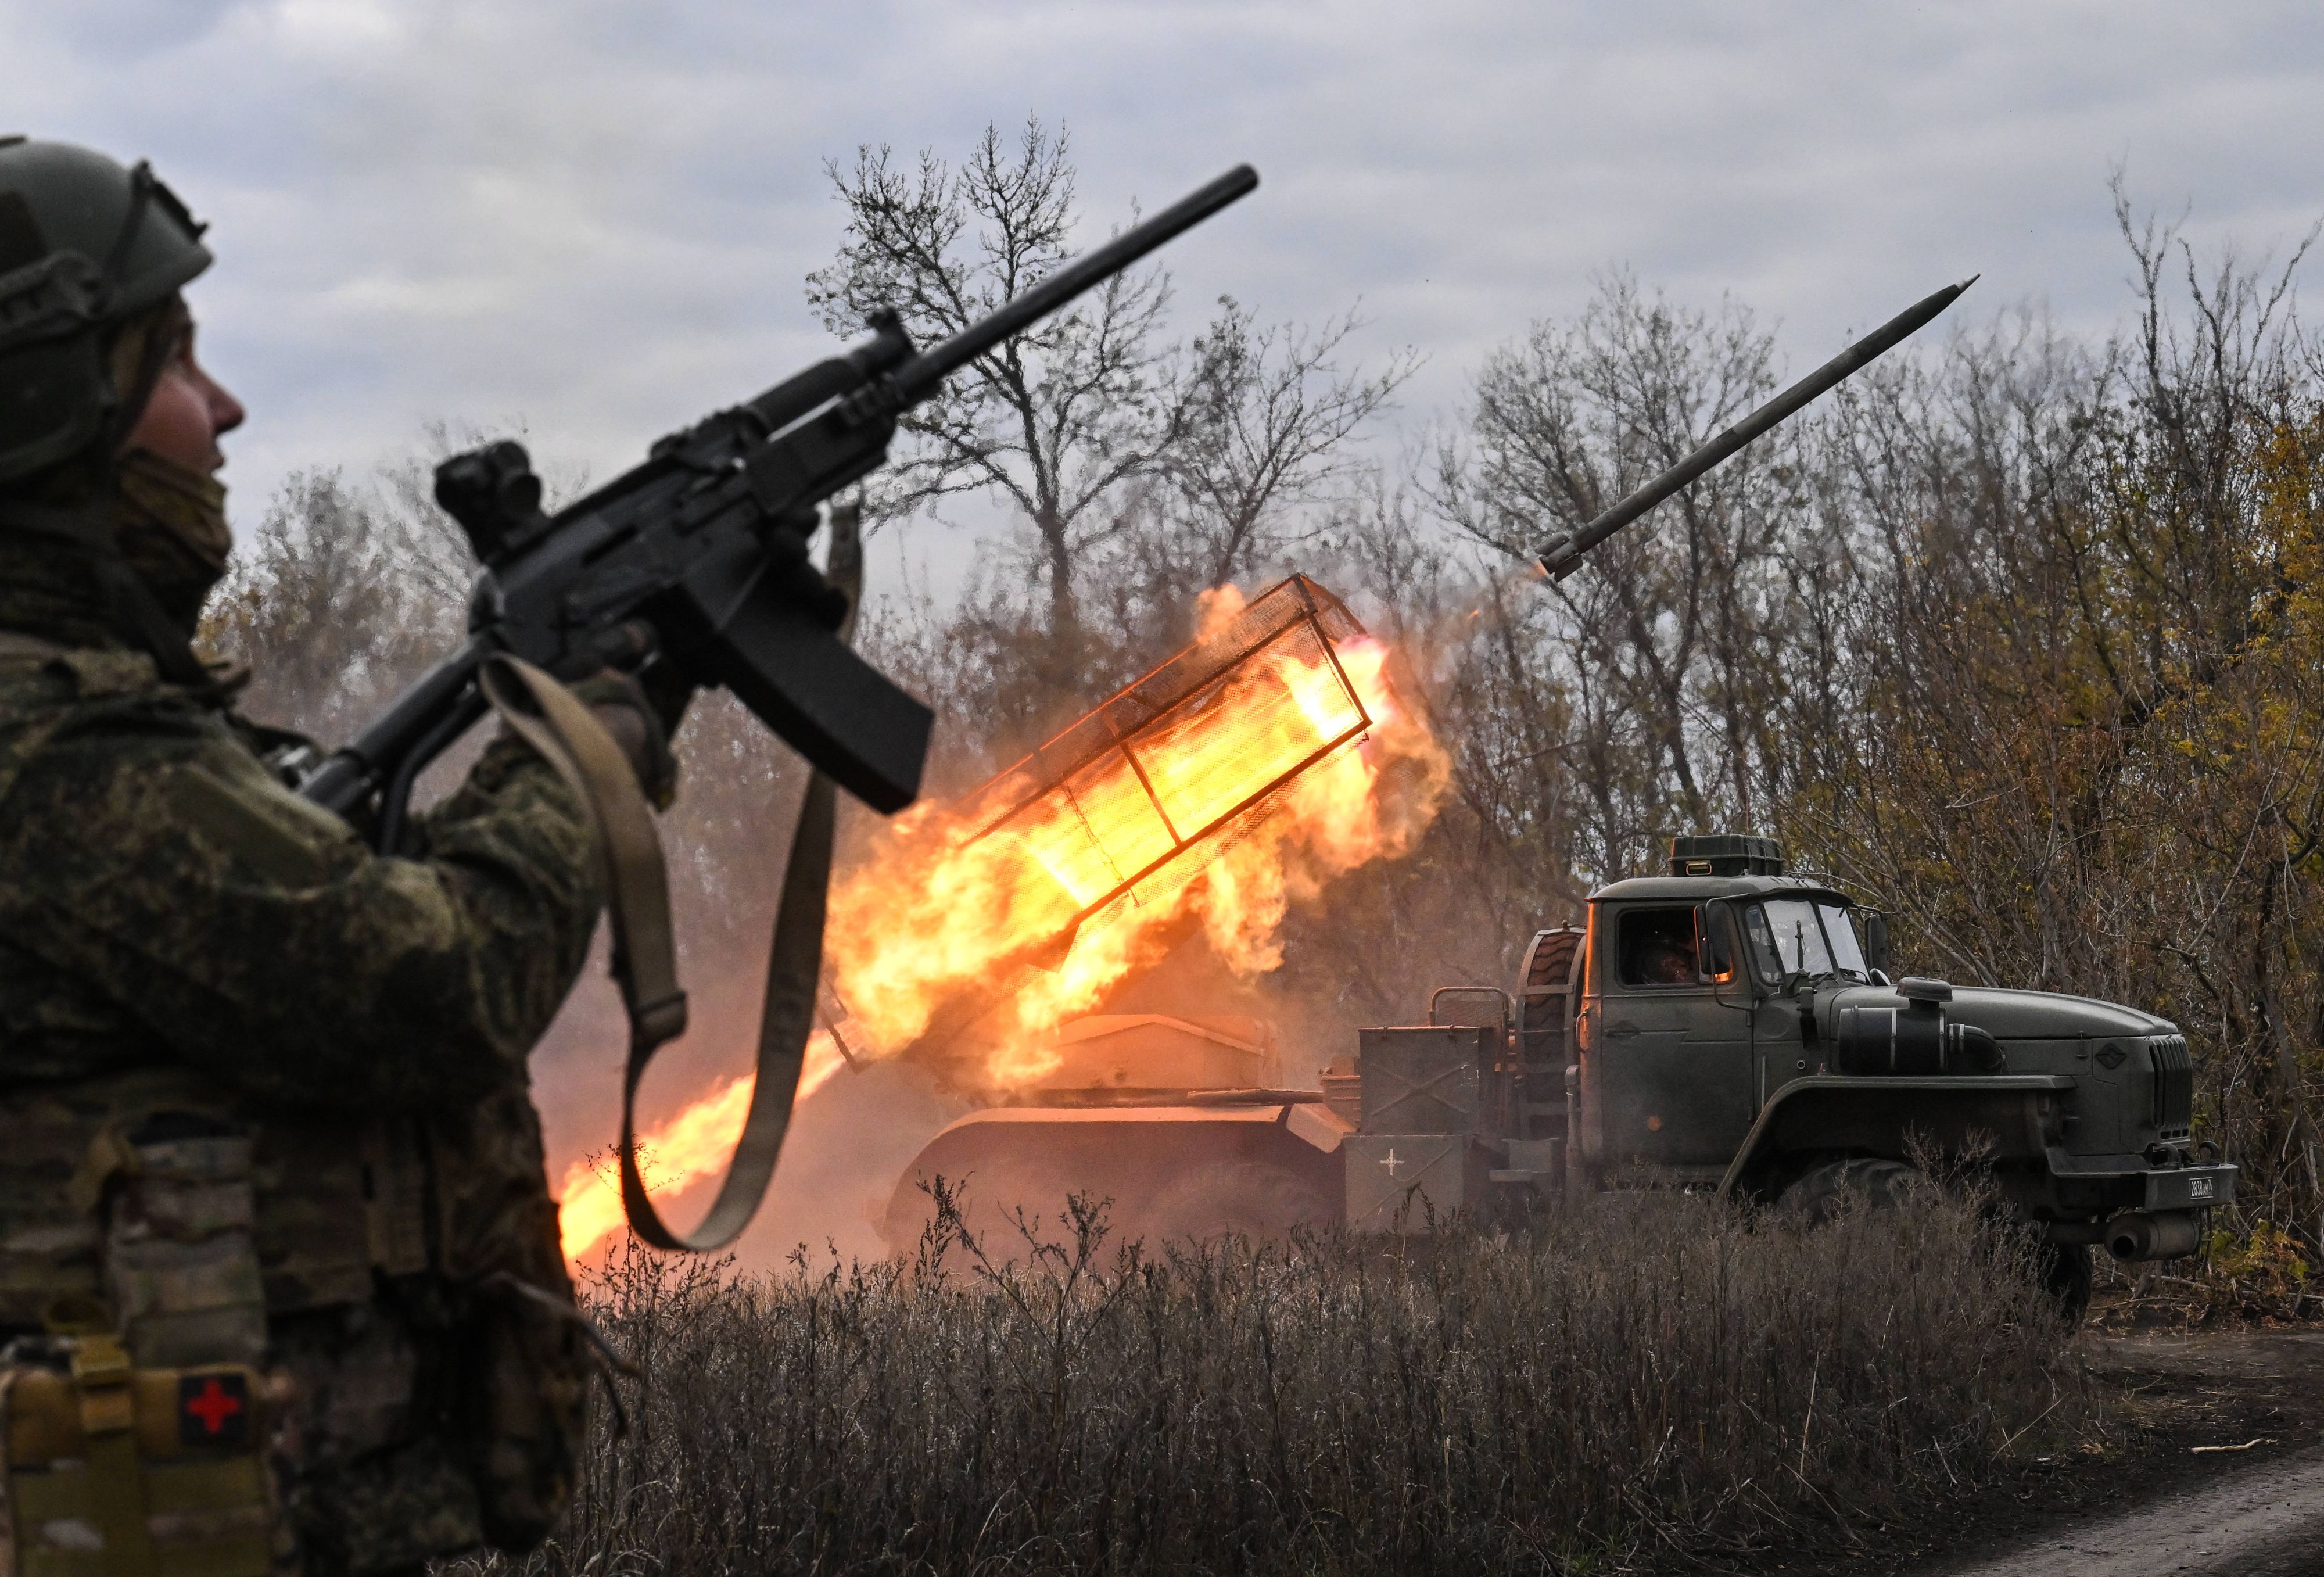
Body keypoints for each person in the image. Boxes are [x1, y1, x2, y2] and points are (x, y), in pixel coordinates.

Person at [0, 138, 673, 1575]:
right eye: (175, 359)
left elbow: (337, 908)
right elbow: (435, 980)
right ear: (59, 405)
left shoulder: (107, 723)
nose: (225, 408)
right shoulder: (62, 760)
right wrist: (589, 738)